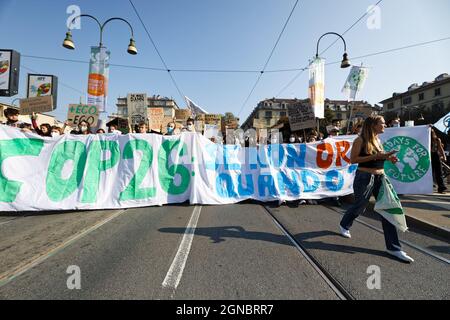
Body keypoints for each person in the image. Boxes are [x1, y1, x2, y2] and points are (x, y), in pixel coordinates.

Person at [339, 115, 414, 263]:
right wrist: (377, 156)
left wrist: (388, 158)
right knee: (360, 206)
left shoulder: (378, 140)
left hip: (380, 178)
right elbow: (353, 160)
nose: (385, 125)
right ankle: (344, 224)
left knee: (387, 210)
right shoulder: (360, 140)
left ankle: (394, 248)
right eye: (382, 123)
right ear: (373, 125)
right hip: (364, 178)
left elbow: (379, 156)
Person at [431, 127, 447, 193]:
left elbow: (440, 149)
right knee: (430, 172)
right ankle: (429, 186)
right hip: (429, 156)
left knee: (439, 172)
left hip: (436, 155)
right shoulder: (426, 139)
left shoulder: (437, 140)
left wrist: (444, 156)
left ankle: (441, 187)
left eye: (431, 132)